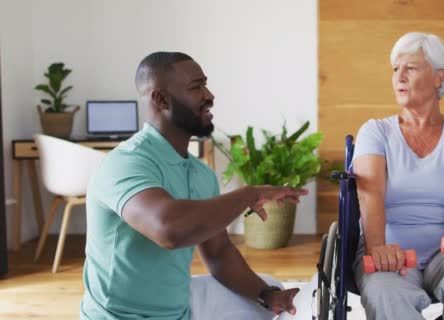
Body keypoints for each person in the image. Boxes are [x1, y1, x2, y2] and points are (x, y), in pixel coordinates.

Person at [80, 52, 308, 320]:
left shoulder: (200, 174)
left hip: (179, 313)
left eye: (205, 84)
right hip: (117, 318)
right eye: (196, 87)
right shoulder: (125, 163)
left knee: (271, 285)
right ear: (160, 99)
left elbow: (219, 252)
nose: (209, 95)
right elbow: (169, 229)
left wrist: (267, 294)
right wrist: (249, 194)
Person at [351, 32, 444, 319]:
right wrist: (377, 247)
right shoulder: (375, 131)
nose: (399, 77)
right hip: (389, 249)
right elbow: (370, 194)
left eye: (411, 68)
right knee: (382, 288)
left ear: (439, 78)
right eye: (396, 69)